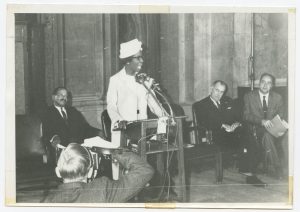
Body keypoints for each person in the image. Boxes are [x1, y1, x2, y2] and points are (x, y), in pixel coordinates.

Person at [193, 80, 266, 186]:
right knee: (246, 140)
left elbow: (238, 116)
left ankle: (248, 169)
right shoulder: (201, 105)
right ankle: (248, 171)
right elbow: (203, 122)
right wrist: (222, 125)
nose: (219, 94)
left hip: (230, 134)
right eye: (216, 90)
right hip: (215, 136)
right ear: (211, 89)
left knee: (246, 130)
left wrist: (236, 123)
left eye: (222, 92)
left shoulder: (227, 101)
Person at [41, 143, 154, 203]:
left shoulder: (48, 203)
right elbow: (144, 170)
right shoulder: (103, 189)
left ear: (58, 172)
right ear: (90, 172)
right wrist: (114, 152)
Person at [106, 38, 166, 137]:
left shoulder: (144, 79)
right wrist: (118, 120)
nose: (142, 61)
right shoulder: (115, 80)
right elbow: (111, 106)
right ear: (127, 61)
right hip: (123, 132)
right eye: (138, 58)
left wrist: (166, 117)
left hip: (143, 132)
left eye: (141, 57)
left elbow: (154, 105)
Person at [42, 87, 104, 163]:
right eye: (61, 95)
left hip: (78, 146)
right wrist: (54, 138)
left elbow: (85, 127)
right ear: (54, 97)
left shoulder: (73, 111)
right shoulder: (47, 113)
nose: (64, 98)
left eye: (66, 96)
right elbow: (46, 131)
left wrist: (98, 132)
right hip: (60, 149)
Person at [243, 73, 286, 180]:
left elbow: (281, 114)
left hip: (274, 126)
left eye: (269, 83)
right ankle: (277, 167)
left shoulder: (277, 97)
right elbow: (245, 115)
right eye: (263, 82)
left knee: (289, 134)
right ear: (259, 83)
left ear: (272, 86)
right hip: (257, 128)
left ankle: (289, 166)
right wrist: (261, 121)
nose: (265, 85)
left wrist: (276, 123)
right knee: (267, 135)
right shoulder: (249, 96)